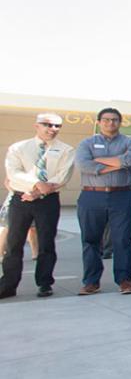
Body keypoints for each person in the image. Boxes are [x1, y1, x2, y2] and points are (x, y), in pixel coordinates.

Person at [1, 114, 75, 299]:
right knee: (13, 244)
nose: (53, 129)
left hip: (47, 201)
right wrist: (35, 183)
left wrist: (39, 191)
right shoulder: (18, 148)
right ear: (36, 125)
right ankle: (8, 285)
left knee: (46, 243)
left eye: (57, 126)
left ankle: (44, 283)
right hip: (21, 199)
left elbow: (63, 177)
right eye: (47, 125)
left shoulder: (66, 150)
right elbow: (13, 173)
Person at [75, 107, 131, 295]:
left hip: (122, 195)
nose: (110, 123)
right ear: (98, 122)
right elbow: (83, 165)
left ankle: (124, 280)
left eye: (114, 120)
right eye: (106, 120)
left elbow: (130, 161)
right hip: (91, 195)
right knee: (90, 239)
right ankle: (91, 281)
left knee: (122, 239)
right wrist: (116, 163)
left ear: (120, 122)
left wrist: (99, 161)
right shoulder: (86, 143)